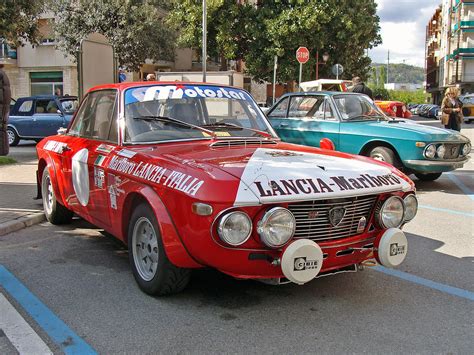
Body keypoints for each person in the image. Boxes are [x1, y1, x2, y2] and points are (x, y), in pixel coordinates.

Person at [0, 64, 11, 155]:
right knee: (3, 127)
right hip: (4, 107)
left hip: (2, 107)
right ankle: (3, 151)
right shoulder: (3, 74)